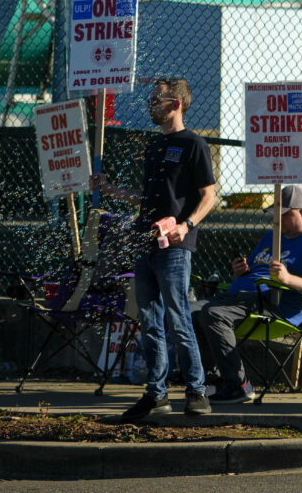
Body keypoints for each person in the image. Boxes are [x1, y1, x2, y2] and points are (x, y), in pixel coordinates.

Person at [92, 77, 216, 422]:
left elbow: (210, 196)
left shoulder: (194, 144)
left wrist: (185, 225)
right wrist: (113, 190)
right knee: (148, 321)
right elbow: (146, 200)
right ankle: (156, 393)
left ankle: (196, 391)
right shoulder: (154, 146)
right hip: (145, 242)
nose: (151, 105)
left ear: (176, 104)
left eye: (157, 100)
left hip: (175, 247)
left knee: (178, 318)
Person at [192, 184, 302, 404]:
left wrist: (288, 279)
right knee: (188, 311)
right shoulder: (273, 236)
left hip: (275, 305)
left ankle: (238, 385)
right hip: (242, 298)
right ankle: (214, 380)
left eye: (284, 215)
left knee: (214, 314)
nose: (276, 221)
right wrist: (240, 271)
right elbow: (255, 269)